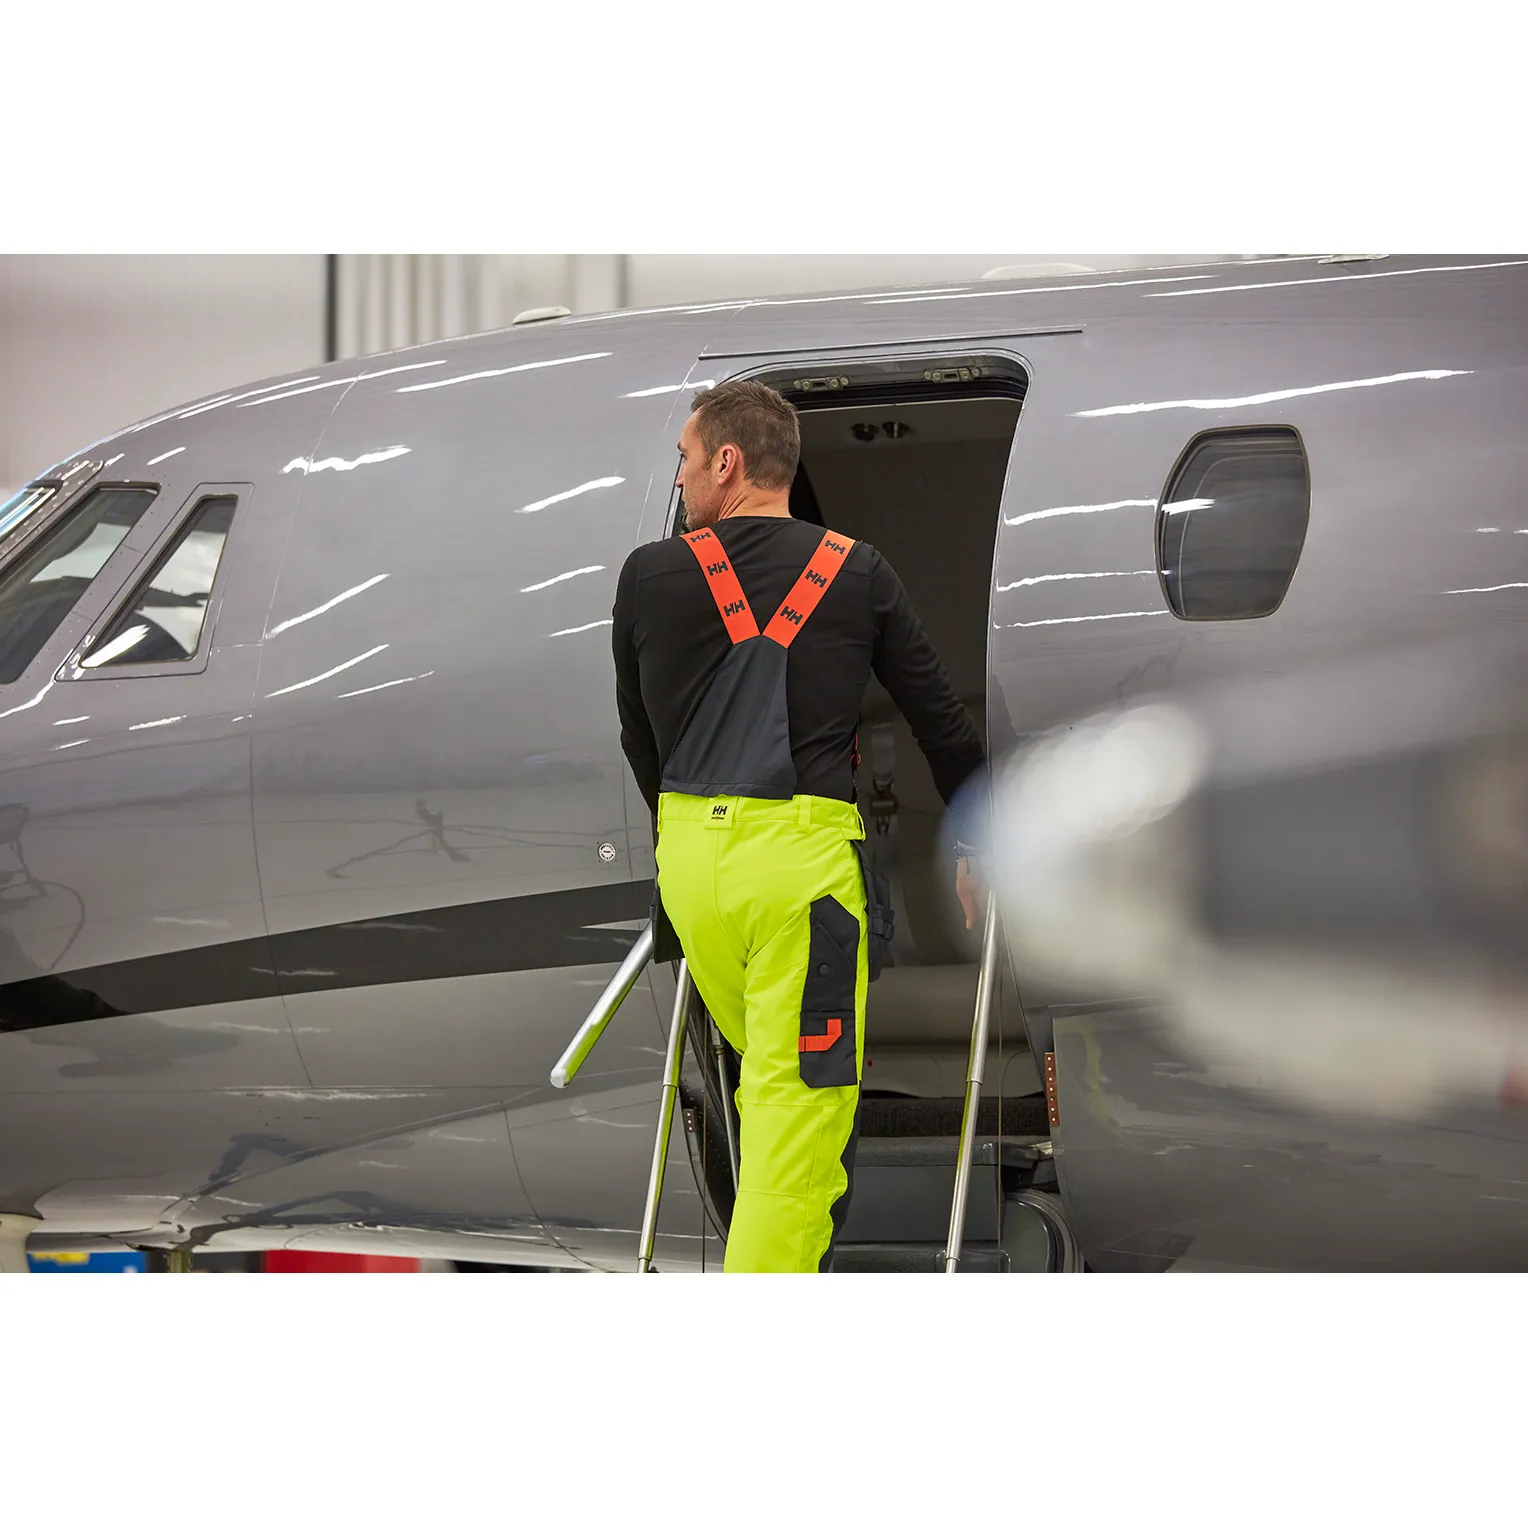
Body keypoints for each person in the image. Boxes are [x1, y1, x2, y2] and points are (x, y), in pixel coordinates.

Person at [611, 378, 986, 1272]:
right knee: (796, 1123)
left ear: (727, 462)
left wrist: (689, 840)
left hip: (693, 873)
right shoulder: (858, 572)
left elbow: (638, 738)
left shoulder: (648, 575)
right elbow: (940, 720)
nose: (680, 477)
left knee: (768, 1095)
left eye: (685, 460)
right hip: (798, 878)